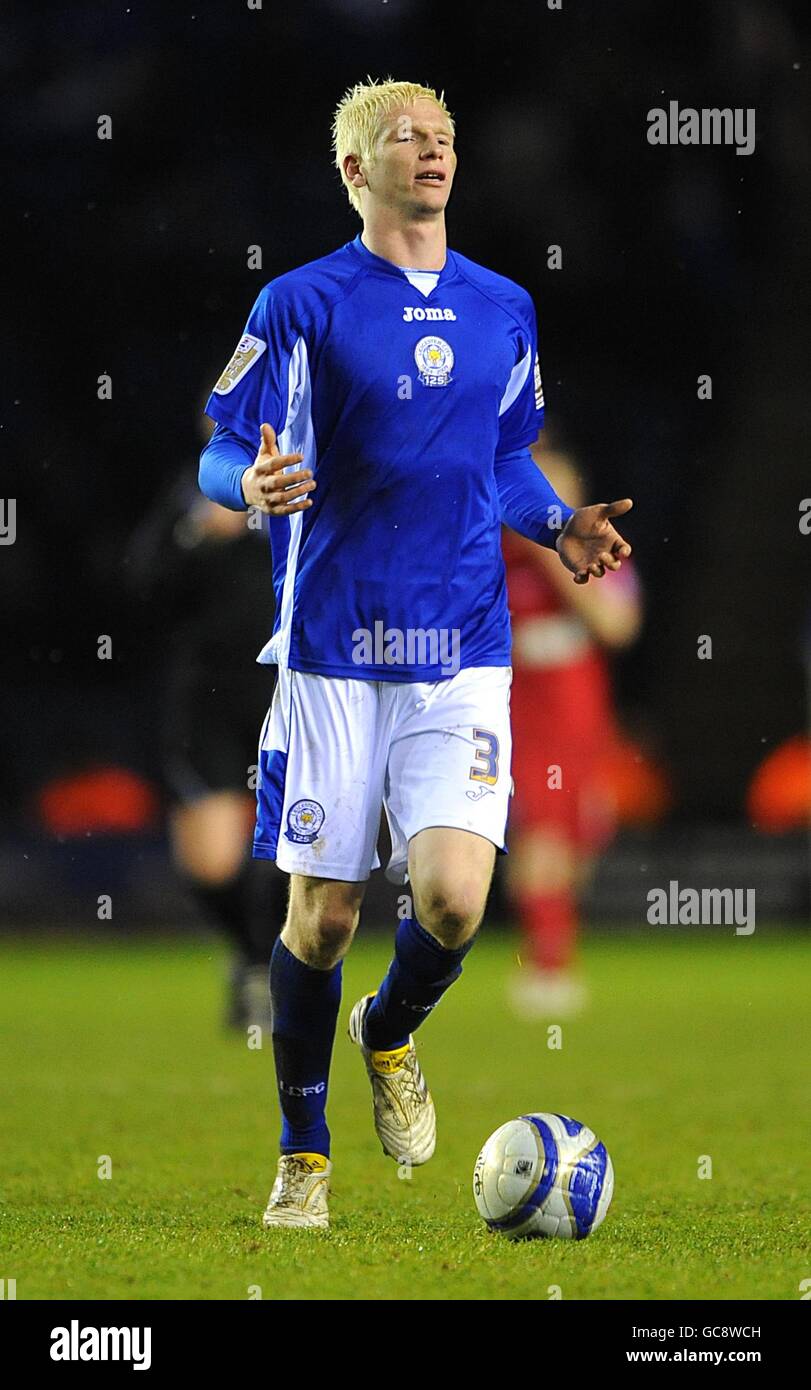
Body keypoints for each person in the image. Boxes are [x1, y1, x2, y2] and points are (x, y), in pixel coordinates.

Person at [198, 78, 632, 1229]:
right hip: (333, 653)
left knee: (448, 901)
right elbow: (221, 441)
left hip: (460, 651)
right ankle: (304, 1154)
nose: (432, 151)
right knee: (323, 919)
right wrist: (243, 484)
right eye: (405, 136)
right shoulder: (299, 302)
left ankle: (386, 1030)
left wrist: (558, 526)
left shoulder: (504, 307)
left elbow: (506, 459)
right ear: (354, 169)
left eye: (443, 136)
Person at [126, 436, 287, 1030]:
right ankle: (250, 956)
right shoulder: (194, 491)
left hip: (298, 691)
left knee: (304, 846)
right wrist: (196, 534)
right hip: (208, 699)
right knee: (213, 861)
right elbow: (140, 582)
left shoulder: (317, 476)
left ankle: (281, 972)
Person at [504, 443, 642, 1019]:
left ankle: (554, 946)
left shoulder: (599, 548)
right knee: (538, 831)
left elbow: (617, 625)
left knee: (575, 833)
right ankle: (549, 965)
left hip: (573, 696)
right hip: (514, 696)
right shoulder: (488, 552)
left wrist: (556, 560)